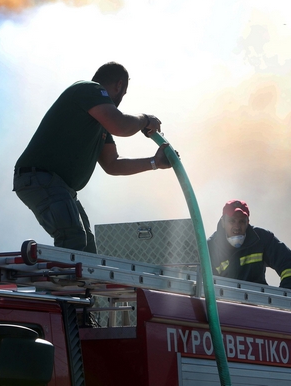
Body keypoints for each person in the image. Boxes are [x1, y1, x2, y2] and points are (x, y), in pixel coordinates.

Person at [13, 62, 172, 253]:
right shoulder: (89, 89)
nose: (120, 100)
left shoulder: (99, 122)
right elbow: (120, 125)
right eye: (123, 92)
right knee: (73, 238)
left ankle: (75, 282)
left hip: (58, 186)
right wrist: (145, 119)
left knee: (87, 248)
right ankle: (57, 281)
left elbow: (112, 164)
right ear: (119, 85)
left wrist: (154, 162)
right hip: (41, 178)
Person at [207, 199, 291, 291]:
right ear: (223, 222)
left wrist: (285, 298)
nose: (237, 227)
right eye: (232, 221)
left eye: (241, 221)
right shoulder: (209, 248)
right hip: (223, 305)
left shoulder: (262, 239)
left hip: (256, 304)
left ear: (247, 222)